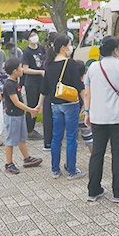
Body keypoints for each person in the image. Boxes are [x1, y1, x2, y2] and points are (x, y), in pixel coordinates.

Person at [84, 36, 119, 203]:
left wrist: (87, 112)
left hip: (98, 117)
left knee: (97, 153)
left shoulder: (93, 67)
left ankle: (93, 190)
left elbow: (87, 93)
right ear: (116, 50)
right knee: (118, 154)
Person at [36, 34, 85, 179]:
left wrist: (39, 104)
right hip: (70, 104)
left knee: (56, 137)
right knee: (70, 138)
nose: (71, 47)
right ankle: (71, 171)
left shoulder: (49, 64)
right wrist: (87, 105)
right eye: (70, 45)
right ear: (63, 48)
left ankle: (55, 170)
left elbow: (44, 88)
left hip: (54, 104)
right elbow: (79, 86)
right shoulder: (69, 63)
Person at [3, 57, 43, 174]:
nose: (22, 69)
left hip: (19, 115)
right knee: (10, 140)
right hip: (12, 116)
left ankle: (27, 158)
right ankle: (8, 164)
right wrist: (30, 110)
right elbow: (16, 102)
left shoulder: (15, 82)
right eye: (20, 67)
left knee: (22, 138)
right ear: (15, 71)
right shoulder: (9, 84)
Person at [22, 29, 45, 140]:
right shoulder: (26, 52)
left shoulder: (41, 48)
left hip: (42, 81)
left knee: (39, 105)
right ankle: (28, 131)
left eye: (35, 34)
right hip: (31, 83)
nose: (34, 37)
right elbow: (25, 69)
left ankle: (31, 128)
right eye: (32, 35)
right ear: (28, 40)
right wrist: (40, 72)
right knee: (32, 106)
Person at [42, 31, 58, 150]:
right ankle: (52, 142)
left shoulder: (47, 57)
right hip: (56, 91)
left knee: (48, 117)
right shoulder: (57, 59)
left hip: (47, 92)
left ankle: (48, 142)